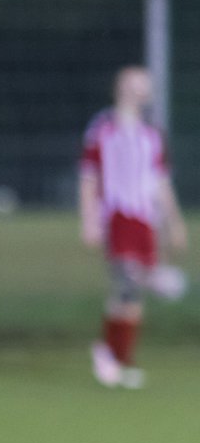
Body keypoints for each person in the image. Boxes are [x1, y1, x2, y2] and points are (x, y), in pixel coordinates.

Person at [81, 66, 187, 389]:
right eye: (136, 84)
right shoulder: (102, 129)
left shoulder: (152, 135)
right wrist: (89, 220)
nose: (142, 90)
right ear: (121, 87)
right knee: (127, 282)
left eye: (146, 85)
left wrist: (174, 222)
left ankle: (115, 358)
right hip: (117, 215)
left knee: (131, 298)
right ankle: (107, 354)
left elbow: (161, 184)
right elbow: (88, 178)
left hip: (145, 219)